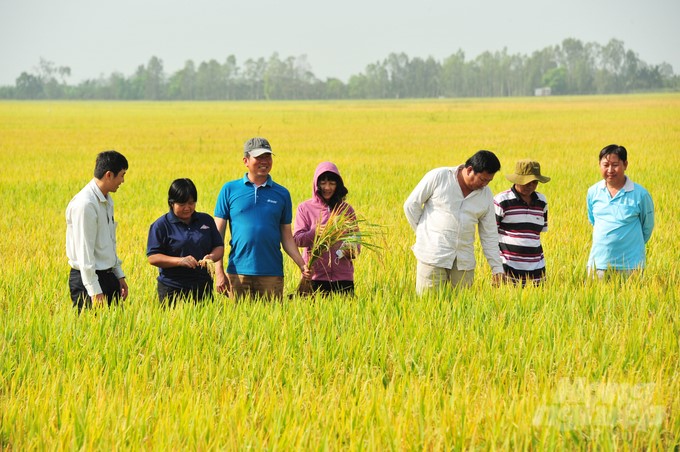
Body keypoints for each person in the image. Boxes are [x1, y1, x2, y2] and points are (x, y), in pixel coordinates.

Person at [213, 137, 310, 300]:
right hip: (237, 273)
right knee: (238, 322)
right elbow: (217, 236)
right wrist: (218, 271)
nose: (264, 162)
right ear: (246, 160)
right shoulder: (229, 190)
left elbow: (286, 237)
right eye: (259, 157)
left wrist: (302, 264)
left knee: (271, 322)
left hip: (271, 274)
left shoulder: (282, 193)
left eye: (268, 157)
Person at [404, 150, 505, 294]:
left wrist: (497, 268)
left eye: (489, 181)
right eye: (483, 179)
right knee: (428, 306)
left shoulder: (486, 194)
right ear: (470, 170)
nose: (485, 184)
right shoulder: (439, 177)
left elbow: (489, 234)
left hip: (464, 262)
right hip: (433, 256)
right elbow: (411, 205)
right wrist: (423, 234)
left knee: (462, 309)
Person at [66, 150, 129, 311]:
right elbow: (84, 252)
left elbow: (109, 242)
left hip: (108, 276)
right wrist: (94, 291)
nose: (122, 181)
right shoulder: (86, 204)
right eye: (122, 175)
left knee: (116, 332)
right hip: (88, 280)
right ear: (109, 175)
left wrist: (118, 274)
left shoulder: (107, 200)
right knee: (92, 332)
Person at [147, 178, 225, 305]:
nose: (187, 208)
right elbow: (153, 257)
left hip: (202, 287)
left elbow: (218, 247)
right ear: (172, 203)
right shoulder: (161, 225)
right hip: (172, 288)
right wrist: (180, 261)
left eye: (191, 203)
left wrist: (211, 257)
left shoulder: (205, 220)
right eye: (182, 204)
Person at [587, 144, 654, 279]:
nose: (610, 170)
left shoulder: (640, 194)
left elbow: (647, 227)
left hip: (631, 267)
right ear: (599, 165)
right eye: (606, 165)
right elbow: (593, 221)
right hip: (599, 264)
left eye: (615, 165)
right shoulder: (593, 192)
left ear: (625, 164)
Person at [294, 162, 359, 295]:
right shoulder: (305, 208)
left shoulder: (346, 210)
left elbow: (356, 239)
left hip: (343, 277)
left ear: (338, 185)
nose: (327, 188)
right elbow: (297, 239)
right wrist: (315, 232)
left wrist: (352, 250)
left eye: (332, 183)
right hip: (314, 277)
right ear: (316, 185)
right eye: (323, 183)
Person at [494, 159, 550, 285]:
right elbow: (490, 235)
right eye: (526, 182)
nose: (530, 185)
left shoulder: (542, 201)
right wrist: (496, 268)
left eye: (534, 182)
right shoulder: (501, 200)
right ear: (516, 180)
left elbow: (538, 233)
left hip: (536, 270)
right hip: (508, 269)